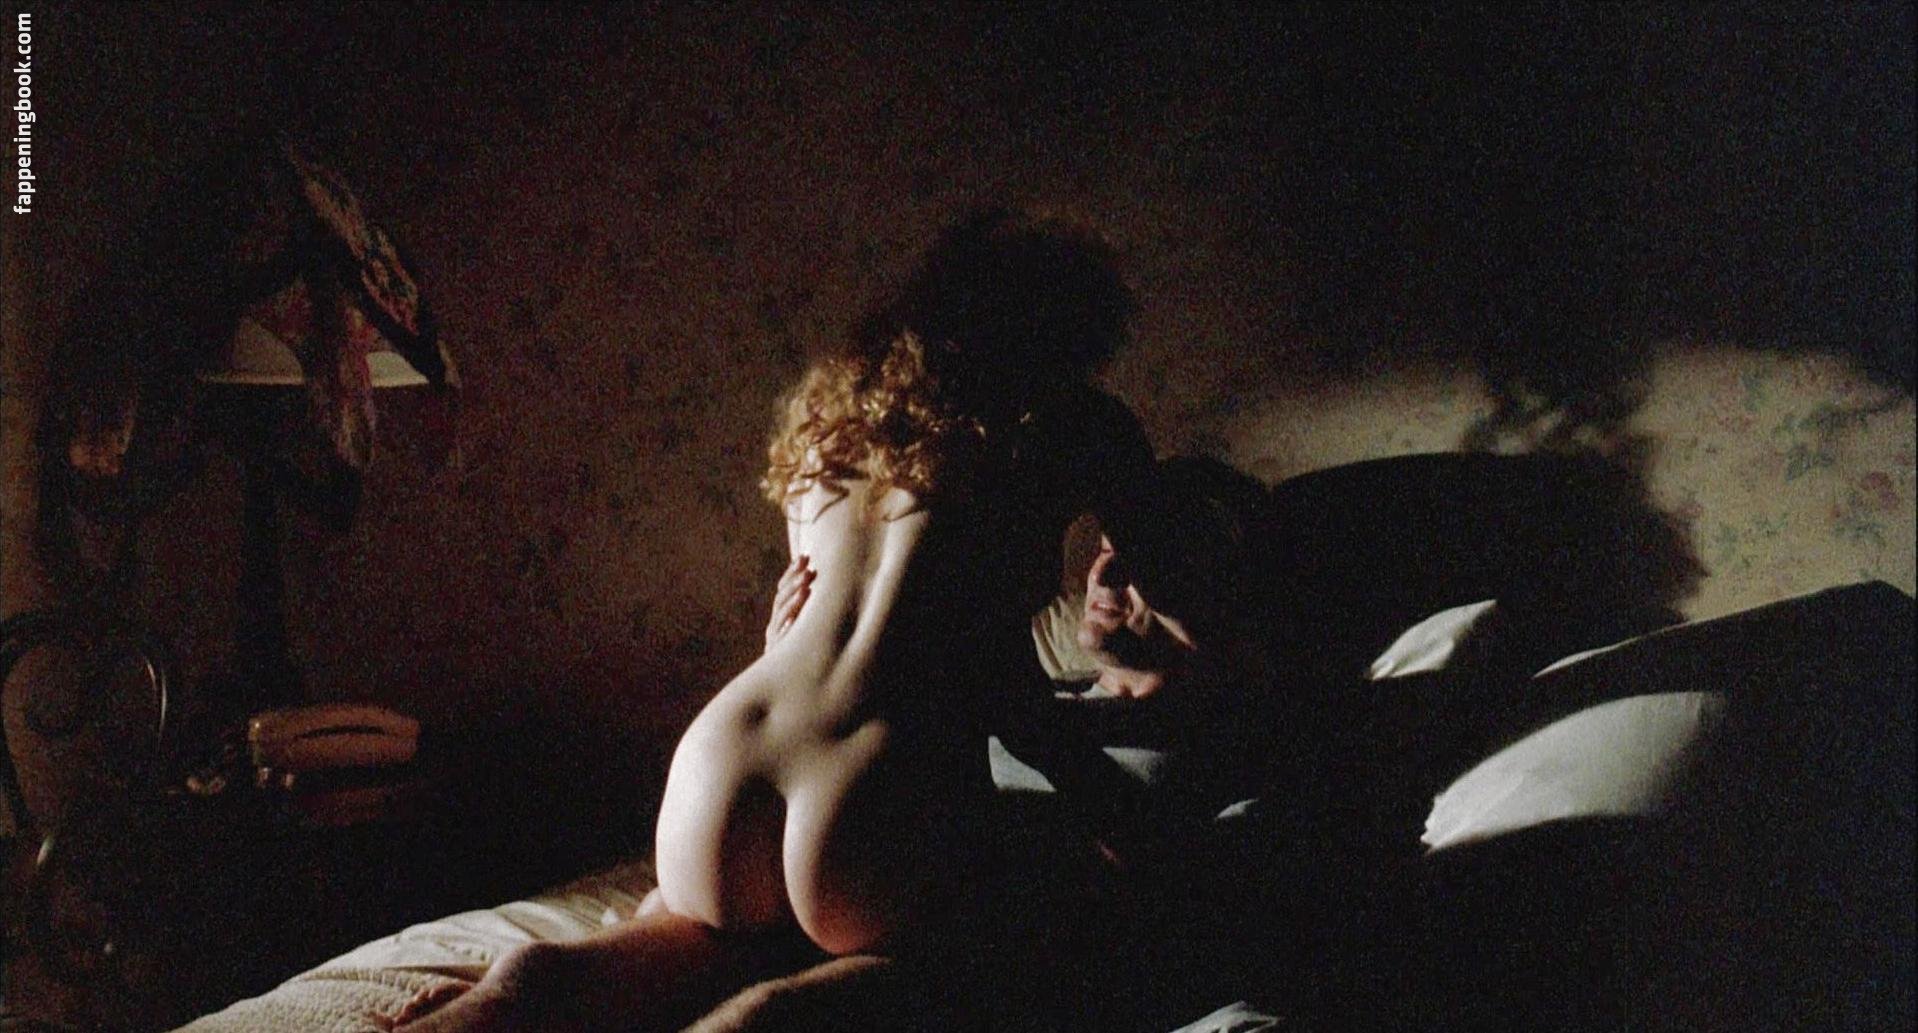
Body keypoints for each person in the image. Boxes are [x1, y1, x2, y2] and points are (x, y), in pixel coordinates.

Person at [392, 208, 1154, 1033]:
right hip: (875, 782)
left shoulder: (837, 415)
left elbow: (811, 624)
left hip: (725, 757)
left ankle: (525, 987)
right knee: (1005, 928)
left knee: (664, 952)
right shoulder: (1068, 429)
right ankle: (769, 1012)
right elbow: (1006, 669)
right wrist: (1116, 811)